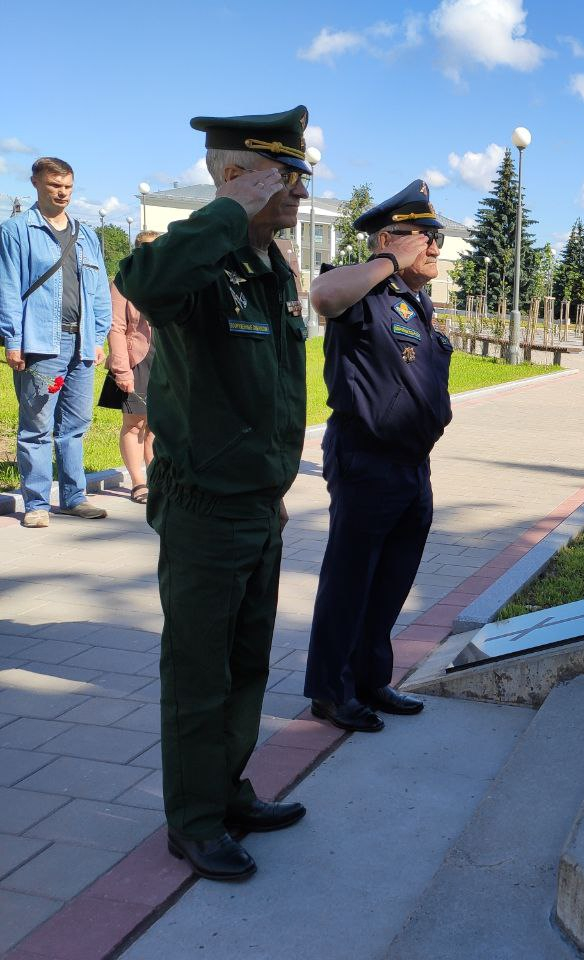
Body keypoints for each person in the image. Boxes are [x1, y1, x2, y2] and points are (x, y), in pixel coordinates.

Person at [114, 106, 314, 882]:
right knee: (198, 677)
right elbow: (146, 284)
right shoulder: (196, 263)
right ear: (238, 177)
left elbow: (274, 396)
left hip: (257, 503)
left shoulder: (270, 270)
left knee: (246, 667)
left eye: (298, 176)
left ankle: (227, 792)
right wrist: (229, 208)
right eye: (282, 176)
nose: (297, 190)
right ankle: (192, 822)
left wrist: (275, 485)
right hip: (203, 505)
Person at [304, 180, 453, 732]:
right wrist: (387, 260)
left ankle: (370, 679)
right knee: (349, 580)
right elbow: (322, 297)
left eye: (437, 236)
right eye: (427, 236)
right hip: (366, 459)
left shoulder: (415, 301)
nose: (436, 246)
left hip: (412, 465)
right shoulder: (362, 292)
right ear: (389, 238)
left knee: (392, 580)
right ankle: (330, 690)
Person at [0, 157, 112, 528]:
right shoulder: (17, 230)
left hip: (81, 343)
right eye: (54, 186)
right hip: (41, 345)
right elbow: (9, 289)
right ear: (36, 184)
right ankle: (36, 504)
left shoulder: (86, 234)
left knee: (76, 425)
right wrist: (13, 341)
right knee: (36, 427)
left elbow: (98, 293)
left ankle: (74, 497)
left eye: (67, 187)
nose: (62, 193)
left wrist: (98, 337)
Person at [107, 230, 160, 502]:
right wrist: (121, 369)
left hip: (163, 360)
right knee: (134, 424)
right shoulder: (123, 281)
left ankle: (155, 477)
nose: (150, 252)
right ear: (136, 250)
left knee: (154, 425)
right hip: (135, 359)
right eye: (145, 247)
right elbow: (115, 326)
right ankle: (138, 483)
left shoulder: (166, 279)